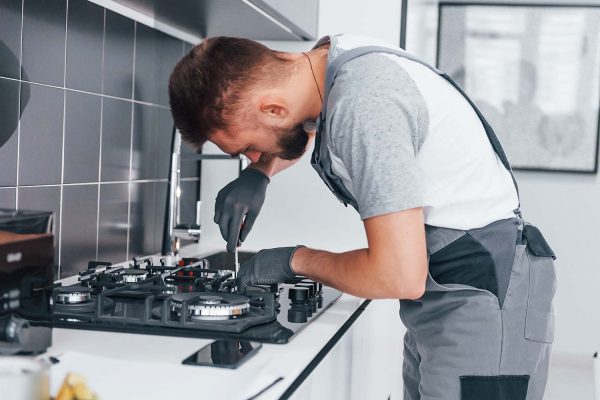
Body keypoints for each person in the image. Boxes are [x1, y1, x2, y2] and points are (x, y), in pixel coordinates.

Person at [168, 34, 557, 400]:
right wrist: (260, 173)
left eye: (250, 148)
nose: (252, 157)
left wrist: (293, 260)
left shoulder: (363, 103)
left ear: (272, 108)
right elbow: (301, 125)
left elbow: (397, 275)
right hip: (449, 290)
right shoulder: (327, 63)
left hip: (484, 298)